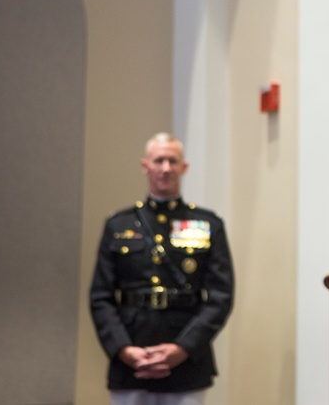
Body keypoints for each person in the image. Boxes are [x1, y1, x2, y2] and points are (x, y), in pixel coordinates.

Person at [90, 133, 234, 405]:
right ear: (146, 166)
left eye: (173, 160)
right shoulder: (119, 225)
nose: (166, 168)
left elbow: (220, 297)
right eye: (159, 160)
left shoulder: (208, 224)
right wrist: (123, 349)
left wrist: (183, 348)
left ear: (184, 167)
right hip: (132, 359)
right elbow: (100, 296)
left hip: (186, 363)